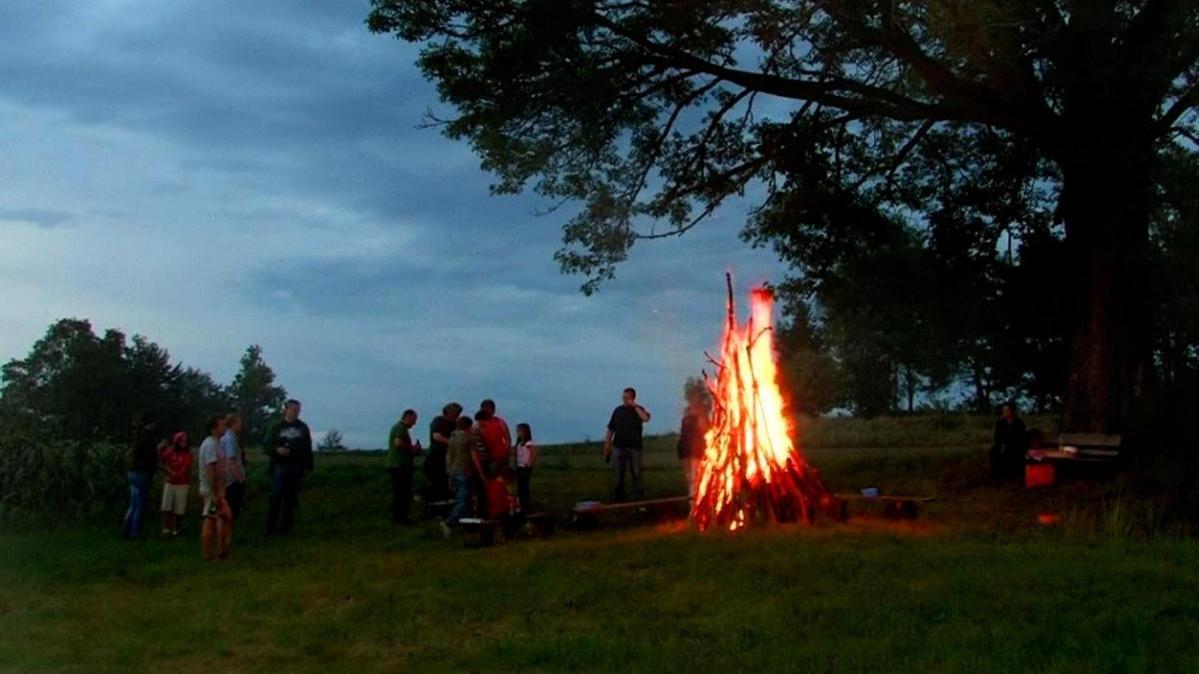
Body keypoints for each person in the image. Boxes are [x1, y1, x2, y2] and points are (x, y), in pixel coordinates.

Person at [264, 399, 314, 536]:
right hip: (280, 466)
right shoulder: (277, 427)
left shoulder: (303, 428)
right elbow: (266, 445)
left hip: (296, 466)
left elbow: (307, 447)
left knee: (291, 499)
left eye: (298, 410)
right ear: (286, 410)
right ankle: (270, 528)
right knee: (276, 497)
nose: (296, 413)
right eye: (294, 410)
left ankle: (285, 528)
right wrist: (277, 450)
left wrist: (309, 466)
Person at [604, 387, 651, 502]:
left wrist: (634, 406)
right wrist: (607, 444)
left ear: (633, 398)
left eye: (627, 398)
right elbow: (611, 428)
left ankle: (639, 500)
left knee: (637, 474)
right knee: (618, 475)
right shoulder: (618, 410)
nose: (624, 400)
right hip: (619, 447)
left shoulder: (639, 409)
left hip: (634, 448)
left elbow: (645, 418)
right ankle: (618, 499)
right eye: (623, 397)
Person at [123, 412, 163, 540]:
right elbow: (150, 456)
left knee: (133, 504)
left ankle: (127, 529)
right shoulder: (149, 438)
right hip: (143, 473)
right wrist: (160, 448)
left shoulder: (138, 435)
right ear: (151, 422)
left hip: (133, 471)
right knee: (140, 505)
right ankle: (135, 533)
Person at [198, 415, 232, 561]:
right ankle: (207, 554)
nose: (225, 427)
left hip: (219, 489)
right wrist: (215, 492)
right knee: (210, 519)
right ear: (214, 428)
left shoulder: (217, 443)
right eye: (222, 425)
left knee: (223, 518)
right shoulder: (210, 445)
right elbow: (211, 469)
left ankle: (222, 550)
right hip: (213, 490)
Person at [442, 414, 477, 535]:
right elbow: (473, 457)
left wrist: (449, 472)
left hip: (453, 471)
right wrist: (480, 472)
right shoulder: (468, 438)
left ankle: (467, 526)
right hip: (464, 471)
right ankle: (449, 522)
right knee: (463, 501)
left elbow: (448, 456)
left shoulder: (452, 437)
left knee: (464, 500)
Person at [387, 409, 421, 525]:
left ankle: (398, 517)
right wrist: (412, 449)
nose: (414, 423)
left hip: (398, 465)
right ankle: (402, 518)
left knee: (400, 493)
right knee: (403, 493)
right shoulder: (400, 428)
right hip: (400, 465)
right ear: (408, 416)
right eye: (413, 420)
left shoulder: (399, 428)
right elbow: (398, 443)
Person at [158, 431, 193, 536]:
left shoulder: (188, 454)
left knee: (179, 508)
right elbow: (160, 461)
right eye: (181, 441)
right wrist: (169, 471)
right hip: (170, 482)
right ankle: (165, 529)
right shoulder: (170, 452)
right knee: (166, 506)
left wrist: (178, 473)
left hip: (182, 483)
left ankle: (176, 530)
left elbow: (186, 467)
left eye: (185, 441)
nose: (184, 443)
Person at [676, 401, 708, 499]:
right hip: (685, 449)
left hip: (696, 450)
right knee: (688, 475)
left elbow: (704, 431)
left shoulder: (700, 419)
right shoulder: (685, 419)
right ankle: (692, 494)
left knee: (694, 474)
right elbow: (682, 434)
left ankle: (694, 496)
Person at [990, 402, 1028, 480]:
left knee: (1017, 451)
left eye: (1007, 410)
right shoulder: (1000, 423)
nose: (1005, 412)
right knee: (994, 451)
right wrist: (1002, 444)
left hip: (1016, 445)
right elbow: (997, 436)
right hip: (1003, 444)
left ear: (1012, 411)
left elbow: (1022, 437)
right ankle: (997, 476)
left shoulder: (1019, 422)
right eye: (1004, 410)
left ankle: (1016, 473)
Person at [474, 399, 512, 477]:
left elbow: (507, 437)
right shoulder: (478, 424)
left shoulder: (500, 421)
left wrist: (506, 451)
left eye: (488, 409)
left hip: (500, 456)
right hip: (487, 457)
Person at [221, 413, 247, 524]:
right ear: (233, 423)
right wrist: (239, 478)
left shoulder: (232, 438)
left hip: (232, 479)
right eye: (239, 422)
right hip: (232, 481)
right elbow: (231, 461)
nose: (241, 425)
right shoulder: (230, 439)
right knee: (231, 508)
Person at [514, 423, 537, 512]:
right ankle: (521, 503)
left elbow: (533, 453)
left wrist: (529, 463)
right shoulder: (519, 443)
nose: (518, 433)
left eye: (519, 431)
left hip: (525, 466)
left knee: (524, 486)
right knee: (520, 486)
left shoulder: (529, 443)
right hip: (519, 466)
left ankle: (526, 504)